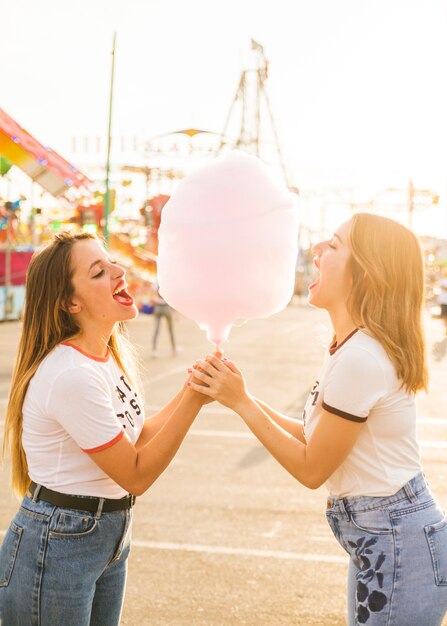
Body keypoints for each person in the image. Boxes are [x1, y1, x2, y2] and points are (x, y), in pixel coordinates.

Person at [189, 213, 447, 625]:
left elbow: (312, 468)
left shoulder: (361, 359)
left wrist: (241, 403)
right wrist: (239, 393)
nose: (317, 251)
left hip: (395, 538)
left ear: (366, 272)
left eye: (334, 244)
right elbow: (315, 437)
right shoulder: (351, 348)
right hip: (385, 534)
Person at [0, 232, 209, 626]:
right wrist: (195, 402)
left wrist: (192, 389)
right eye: (99, 271)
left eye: (111, 261)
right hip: (60, 540)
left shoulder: (105, 358)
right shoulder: (71, 374)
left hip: (105, 532)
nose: (119, 271)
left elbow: (136, 438)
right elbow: (135, 473)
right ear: (71, 302)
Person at [151, 286, 177, 356]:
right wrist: (175, 313)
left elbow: (153, 298)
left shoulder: (156, 284)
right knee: (171, 330)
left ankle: (154, 350)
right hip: (166, 307)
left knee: (156, 330)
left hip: (158, 307)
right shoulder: (167, 284)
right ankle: (174, 349)